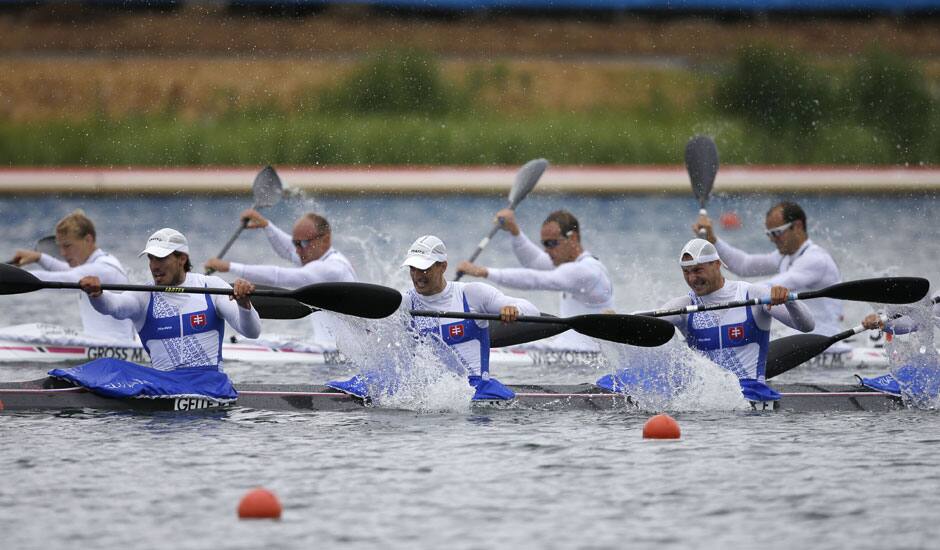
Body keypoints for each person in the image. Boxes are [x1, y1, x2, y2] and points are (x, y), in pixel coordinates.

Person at [49, 228, 262, 403]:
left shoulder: (211, 287)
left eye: (161, 257)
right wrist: (97, 294)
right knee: (107, 365)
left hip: (209, 386)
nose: (154, 266)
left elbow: (252, 332)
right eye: (151, 258)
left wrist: (244, 304)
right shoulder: (144, 295)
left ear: (182, 258)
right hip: (163, 384)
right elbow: (115, 307)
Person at [328, 235, 540, 401]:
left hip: (474, 388)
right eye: (413, 268)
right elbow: (370, 325)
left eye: (425, 269)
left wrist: (513, 310)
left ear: (443, 266)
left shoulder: (472, 294)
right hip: (430, 390)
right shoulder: (405, 302)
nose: (418, 276)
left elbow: (532, 310)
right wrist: (335, 309)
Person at [601, 238, 815, 403]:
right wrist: (615, 320)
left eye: (697, 270)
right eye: (686, 272)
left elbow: (806, 326)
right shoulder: (685, 305)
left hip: (749, 393)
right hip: (705, 395)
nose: (692, 278)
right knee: (622, 379)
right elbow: (648, 319)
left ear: (716, 264)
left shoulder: (752, 295)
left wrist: (789, 302)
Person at [694, 201, 847, 353]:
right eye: (769, 233)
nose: (772, 239)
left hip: (823, 344)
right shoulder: (785, 257)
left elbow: (770, 286)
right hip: (798, 339)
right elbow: (744, 265)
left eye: (776, 233)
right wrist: (712, 240)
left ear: (798, 226)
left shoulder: (815, 259)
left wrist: (721, 296)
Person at [457, 209, 613, 350]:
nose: (547, 250)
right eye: (544, 244)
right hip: (568, 349)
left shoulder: (586, 270)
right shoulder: (570, 266)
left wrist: (484, 272)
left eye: (552, 243)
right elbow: (534, 262)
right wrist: (514, 231)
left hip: (588, 355)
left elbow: (535, 279)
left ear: (573, 238)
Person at [204, 209, 357, 347]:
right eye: (295, 243)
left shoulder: (332, 268)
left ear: (325, 239)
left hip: (341, 354)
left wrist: (230, 267)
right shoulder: (315, 256)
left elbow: (278, 276)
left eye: (302, 243)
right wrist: (266, 225)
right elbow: (286, 250)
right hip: (328, 347)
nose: (297, 250)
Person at [10, 209, 136, 343]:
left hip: (117, 349)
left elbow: (63, 279)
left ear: (88, 240)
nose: (63, 253)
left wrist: (12, 276)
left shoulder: (104, 268)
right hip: (102, 347)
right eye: (60, 247)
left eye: (67, 246)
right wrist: (39, 258)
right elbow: (67, 272)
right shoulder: (95, 263)